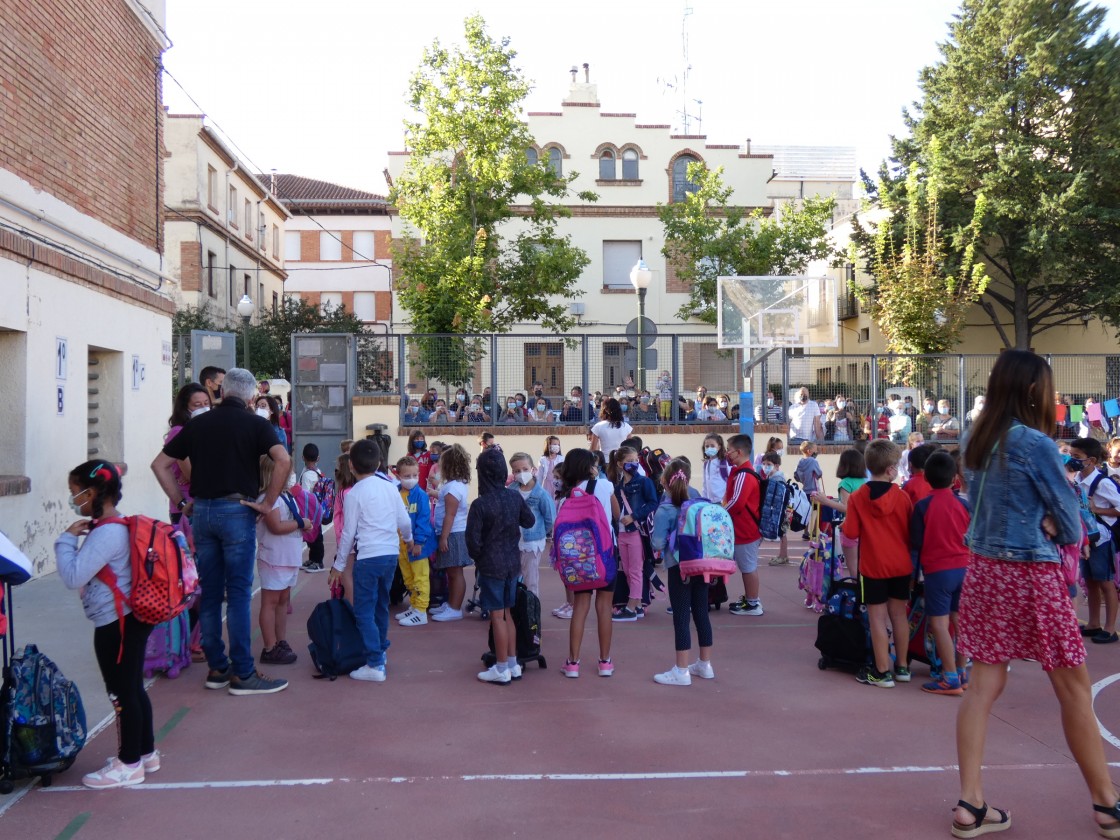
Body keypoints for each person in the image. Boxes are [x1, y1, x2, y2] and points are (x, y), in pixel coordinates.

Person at [954, 350, 1120, 839]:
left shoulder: (973, 439)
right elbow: (1071, 526)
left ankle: (970, 804)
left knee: (982, 685)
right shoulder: (1036, 444)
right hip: (1030, 573)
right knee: (1072, 687)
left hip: (983, 570)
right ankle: (1106, 804)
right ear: (1034, 391)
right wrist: (1053, 518)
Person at [153, 367, 290, 696]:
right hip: (237, 510)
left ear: (221, 391)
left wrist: (181, 501)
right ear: (250, 396)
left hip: (202, 511)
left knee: (211, 591)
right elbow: (282, 460)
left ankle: (217, 668)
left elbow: (159, 464)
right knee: (240, 593)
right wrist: (268, 502)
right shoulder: (256, 424)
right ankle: (243, 673)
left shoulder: (198, 424)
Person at [56, 461, 158, 789]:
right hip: (129, 619)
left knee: (121, 693)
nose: (75, 501)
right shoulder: (117, 526)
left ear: (94, 492)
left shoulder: (106, 533)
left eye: (77, 494)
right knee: (132, 688)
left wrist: (65, 540)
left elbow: (73, 575)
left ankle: (129, 764)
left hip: (117, 623)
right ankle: (145, 753)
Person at [328, 440, 412, 682]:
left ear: (351, 466)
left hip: (368, 557)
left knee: (363, 611)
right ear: (378, 464)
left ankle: (374, 663)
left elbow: (348, 533)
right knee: (381, 606)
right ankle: (380, 653)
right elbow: (404, 521)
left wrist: (338, 565)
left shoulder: (354, 494)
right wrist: (408, 539)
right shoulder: (390, 488)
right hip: (389, 556)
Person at [840, 439, 913, 689]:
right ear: (891, 468)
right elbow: (909, 531)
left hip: (873, 566)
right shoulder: (902, 497)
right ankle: (902, 666)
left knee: (877, 619)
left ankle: (882, 671)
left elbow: (850, 532)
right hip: (900, 564)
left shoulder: (859, 496)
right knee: (899, 616)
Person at [468, 448, 536, 684]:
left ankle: (500, 667)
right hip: (511, 562)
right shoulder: (513, 497)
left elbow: (473, 542)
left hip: (491, 565)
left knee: (497, 616)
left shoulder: (480, 504)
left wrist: (479, 557)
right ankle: (512, 662)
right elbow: (529, 520)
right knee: (507, 614)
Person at [649, 458, 716, 686]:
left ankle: (681, 669)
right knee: (701, 611)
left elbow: (657, 544)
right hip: (702, 562)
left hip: (678, 567)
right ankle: (705, 664)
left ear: (665, 481)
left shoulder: (665, 509)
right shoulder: (698, 498)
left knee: (681, 615)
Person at [909, 451, 971, 696]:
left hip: (938, 570)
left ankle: (949, 677)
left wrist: (913, 577)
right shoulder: (963, 504)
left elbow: (916, 543)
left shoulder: (924, 506)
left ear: (927, 479)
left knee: (939, 623)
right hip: (964, 567)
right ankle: (961, 670)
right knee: (959, 620)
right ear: (954, 477)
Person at [557, 449, 619, 677]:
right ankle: (605, 662)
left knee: (580, 608)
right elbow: (617, 513)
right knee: (604, 608)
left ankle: (573, 663)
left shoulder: (566, 495)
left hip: (579, 558)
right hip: (605, 553)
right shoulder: (604, 486)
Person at [255, 454, 311, 665]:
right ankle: (269, 647)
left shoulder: (285, 496)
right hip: (273, 558)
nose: (291, 476)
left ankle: (281, 641)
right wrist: (301, 524)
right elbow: (276, 526)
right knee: (270, 602)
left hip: (288, 558)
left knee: (282, 602)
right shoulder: (267, 498)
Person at [1068, 437, 1120, 644]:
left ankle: (1110, 628)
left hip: (1102, 539)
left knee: (1106, 583)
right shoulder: (1078, 479)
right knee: (1090, 583)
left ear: (1091, 460)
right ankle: (1093, 623)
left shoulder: (1103, 482)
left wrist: (1097, 509)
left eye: (1076, 457)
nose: (1072, 460)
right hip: (1086, 538)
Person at [610, 446, 658, 621]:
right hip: (621, 533)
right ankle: (637, 604)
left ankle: (631, 607)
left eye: (635, 460)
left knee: (636, 570)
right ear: (620, 463)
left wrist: (634, 516)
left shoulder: (644, 482)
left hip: (636, 531)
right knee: (628, 570)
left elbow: (653, 503)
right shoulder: (618, 487)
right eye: (629, 461)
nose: (633, 464)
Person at [723, 434, 764, 617]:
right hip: (744, 529)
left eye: (728, 450)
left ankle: (753, 603)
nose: (727, 453)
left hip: (745, 530)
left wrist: (719, 513)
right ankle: (751, 598)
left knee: (748, 567)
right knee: (747, 566)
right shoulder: (741, 472)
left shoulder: (744, 475)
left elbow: (737, 503)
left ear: (738, 452)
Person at [431, 443, 472, 622]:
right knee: (452, 572)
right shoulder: (455, 485)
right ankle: (451, 604)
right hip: (453, 533)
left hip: (453, 534)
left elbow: (450, 514)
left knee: (455, 573)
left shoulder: (453, 488)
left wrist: (444, 537)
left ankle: (455, 608)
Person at [393, 456, 436, 627]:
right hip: (401, 545)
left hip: (417, 545)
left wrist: (418, 543)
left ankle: (421, 611)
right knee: (408, 577)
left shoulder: (420, 496)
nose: (411, 479)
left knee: (420, 577)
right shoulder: (395, 493)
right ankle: (414, 605)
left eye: (414, 475)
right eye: (407, 475)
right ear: (398, 476)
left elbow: (424, 521)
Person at [811, 448, 867, 576]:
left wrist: (825, 501)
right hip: (864, 527)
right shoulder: (864, 482)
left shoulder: (845, 483)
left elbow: (847, 507)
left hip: (851, 527)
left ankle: (856, 592)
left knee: (853, 565)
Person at [509, 451, 555, 597]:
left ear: (533, 469)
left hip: (532, 543)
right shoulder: (511, 490)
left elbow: (550, 519)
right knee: (514, 577)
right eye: (517, 471)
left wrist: (539, 532)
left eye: (525, 469)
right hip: (514, 541)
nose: (521, 473)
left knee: (531, 579)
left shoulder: (541, 494)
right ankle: (515, 610)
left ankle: (531, 612)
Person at [298, 444, 326, 574]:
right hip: (317, 508)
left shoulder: (306, 474)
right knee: (314, 534)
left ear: (302, 457)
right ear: (318, 458)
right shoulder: (317, 472)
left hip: (310, 510)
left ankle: (318, 561)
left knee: (314, 536)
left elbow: (304, 495)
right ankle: (313, 558)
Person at [760, 451, 792, 566]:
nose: (765, 467)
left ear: (777, 466)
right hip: (776, 510)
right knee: (781, 532)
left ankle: (783, 556)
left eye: (768, 464)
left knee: (782, 532)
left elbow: (778, 497)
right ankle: (783, 555)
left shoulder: (778, 478)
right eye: (763, 463)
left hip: (780, 511)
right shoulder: (771, 476)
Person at [702, 434, 731, 503]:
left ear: (719, 447)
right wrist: (704, 499)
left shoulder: (724, 463)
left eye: (712, 446)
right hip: (709, 502)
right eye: (707, 446)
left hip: (721, 502)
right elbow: (705, 484)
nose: (709, 448)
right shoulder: (706, 464)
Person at [538, 436, 565, 502]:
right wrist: (538, 489)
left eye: (558, 445)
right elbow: (540, 475)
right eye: (554, 444)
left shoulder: (562, 458)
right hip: (547, 484)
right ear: (548, 445)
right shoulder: (542, 459)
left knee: (557, 500)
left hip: (558, 483)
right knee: (548, 500)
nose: (557, 446)